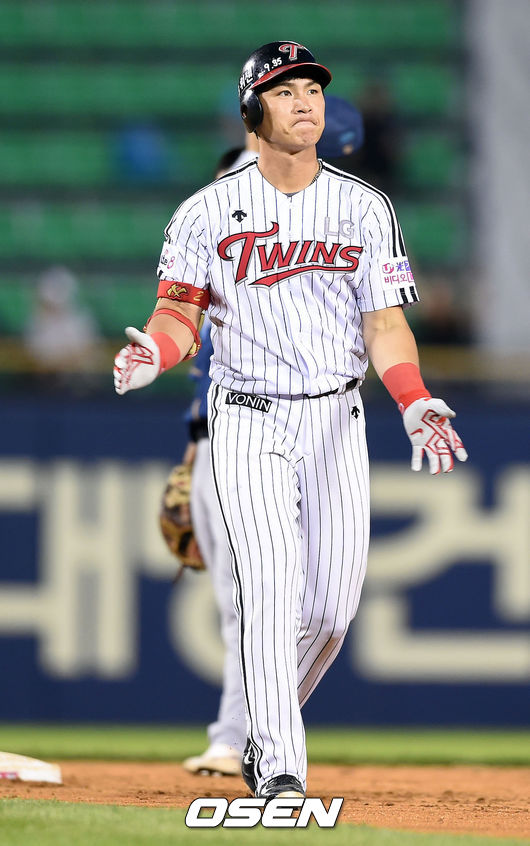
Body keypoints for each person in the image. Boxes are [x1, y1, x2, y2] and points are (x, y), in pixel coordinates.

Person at [114, 41, 467, 801]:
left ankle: (258, 725)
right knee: (269, 594)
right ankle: (279, 768)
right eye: (284, 91)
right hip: (247, 415)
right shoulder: (206, 211)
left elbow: (386, 326)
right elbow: (177, 315)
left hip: (337, 417)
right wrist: (157, 353)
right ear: (253, 112)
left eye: (312, 88)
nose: (305, 101)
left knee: (332, 612)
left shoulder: (364, 207)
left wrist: (412, 398)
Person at [181, 96, 367, 779]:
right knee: (255, 595)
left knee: (309, 606)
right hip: (237, 422)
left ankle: (247, 733)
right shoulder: (247, 189)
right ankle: (241, 737)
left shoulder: (337, 213)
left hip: (306, 424)